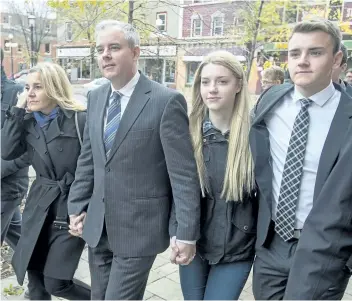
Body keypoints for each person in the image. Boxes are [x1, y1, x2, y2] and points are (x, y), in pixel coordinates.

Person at [67, 20, 200, 300]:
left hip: (140, 230)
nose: (105, 55)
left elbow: (183, 174)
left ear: (136, 52)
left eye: (114, 47)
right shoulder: (96, 96)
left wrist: (186, 233)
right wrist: (76, 205)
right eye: (100, 49)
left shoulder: (166, 101)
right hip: (98, 227)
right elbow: (88, 159)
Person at [250, 19, 352, 300]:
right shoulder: (270, 101)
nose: (302, 61)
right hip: (272, 244)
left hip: (325, 250)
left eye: (315, 52)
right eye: (295, 53)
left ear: (336, 59)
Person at [1, 62, 91, 300]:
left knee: (57, 283)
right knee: (36, 280)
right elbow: (6, 151)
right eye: (27, 87)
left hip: (70, 206)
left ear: (54, 88)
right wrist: (18, 109)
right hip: (39, 205)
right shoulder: (27, 122)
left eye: (37, 87)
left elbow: (93, 167)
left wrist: (86, 207)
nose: (29, 93)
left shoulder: (80, 120)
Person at [175, 50, 257, 300]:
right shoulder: (187, 133)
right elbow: (175, 190)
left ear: (238, 86)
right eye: (206, 81)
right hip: (194, 242)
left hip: (236, 247)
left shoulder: (256, 135)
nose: (212, 89)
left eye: (222, 81)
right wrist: (176, 233)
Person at [0, 47, 29, 250]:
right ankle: (53, 276)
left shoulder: (19, 93)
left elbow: (30, 148)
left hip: (7, 187)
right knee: (23, 242)